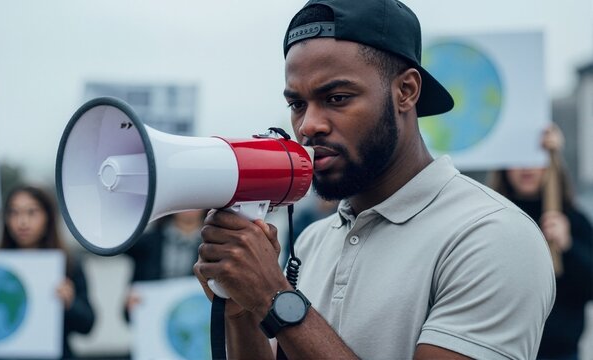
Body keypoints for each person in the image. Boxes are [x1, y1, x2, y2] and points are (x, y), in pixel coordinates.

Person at [193, 0, 555, 359]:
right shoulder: (314, 241)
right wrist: (240, 308)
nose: (307, 126)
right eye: (297, 105)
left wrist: (273, 296)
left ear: (406, 91)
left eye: (336, 98)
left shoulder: (492, 235)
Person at [489, 124, 593, 360]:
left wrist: (568, 247)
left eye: (536, 158)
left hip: (561, 352)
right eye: (518, 159)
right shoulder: (490, 218)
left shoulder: (574, 220)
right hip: (503, 350)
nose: (527, 167)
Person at [0, 185, 95, 359]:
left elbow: (88, 325)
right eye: (14, 213)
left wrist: (70, 303)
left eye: (32, 212)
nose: (22, 222)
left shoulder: (69, 264)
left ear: (48, 218)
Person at [123, 210, 206, 315]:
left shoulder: (218, 246)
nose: (189, 205)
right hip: (152, 319)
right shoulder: (146, 243)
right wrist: (132, 302)